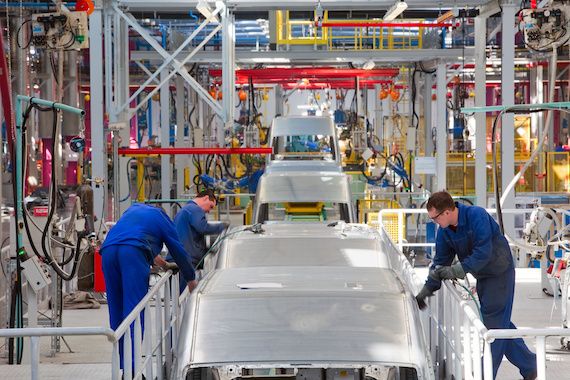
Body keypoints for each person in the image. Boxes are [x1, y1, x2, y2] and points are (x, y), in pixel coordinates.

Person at [416, 191, 537, 380]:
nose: (434, 222)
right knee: (498, 323)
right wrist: (426, 290)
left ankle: (484, 375)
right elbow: (440, 263)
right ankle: (530, 365)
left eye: (435, 218)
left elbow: (483, 252)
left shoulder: (476, 215)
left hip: (500, 273)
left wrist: (456, 271)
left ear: (447, 212)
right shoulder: (445, 231)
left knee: (494, 328)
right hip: (483, 277)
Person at [99, 203, 198, 372]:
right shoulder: (162, 218)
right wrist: (190, 278)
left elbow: (133, 238)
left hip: (108, 252)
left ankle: (121, 367)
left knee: (116, 312)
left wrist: (164, 264)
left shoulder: (132, 210)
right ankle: (132, 371)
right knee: (134, 312)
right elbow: (178, 250)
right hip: (132, 254)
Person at [174, 189, 228, 269]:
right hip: (188, 259)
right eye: (210, 206)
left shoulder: (186, 209)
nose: (209, 211)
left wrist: (205, 250)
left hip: (181, 257)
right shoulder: (195, 209)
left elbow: (191, 237)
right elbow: (203, 228)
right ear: (206, 198)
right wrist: (222, 226)